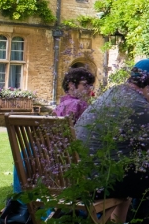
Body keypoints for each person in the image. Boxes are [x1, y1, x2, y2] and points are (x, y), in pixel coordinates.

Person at [75, 59, 149, 224]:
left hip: (76, 177)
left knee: (132, 169)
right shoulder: (140, 105)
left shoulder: (110, 94)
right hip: (99, 182)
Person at [13, 67, 96, 195]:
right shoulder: (79, 105)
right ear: (71, 86)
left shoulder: (62, 105)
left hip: (35, 159)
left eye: (90, 86)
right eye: (85, 85)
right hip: (62, 163)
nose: (89, 89)